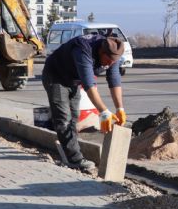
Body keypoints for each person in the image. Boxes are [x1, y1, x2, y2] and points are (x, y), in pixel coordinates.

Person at [42, 34, 127, 173]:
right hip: (55, 76)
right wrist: (104, 111)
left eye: (113, 62)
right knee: (63, 119)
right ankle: (74, 159)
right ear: (101, 52)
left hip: (73, 80)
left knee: (74, 117)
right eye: (108, 61)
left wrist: (120, 108)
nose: (109, 64)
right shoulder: (83, 49)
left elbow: (114, 79)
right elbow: (89, 84)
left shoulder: (114, 53)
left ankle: (70, 150)